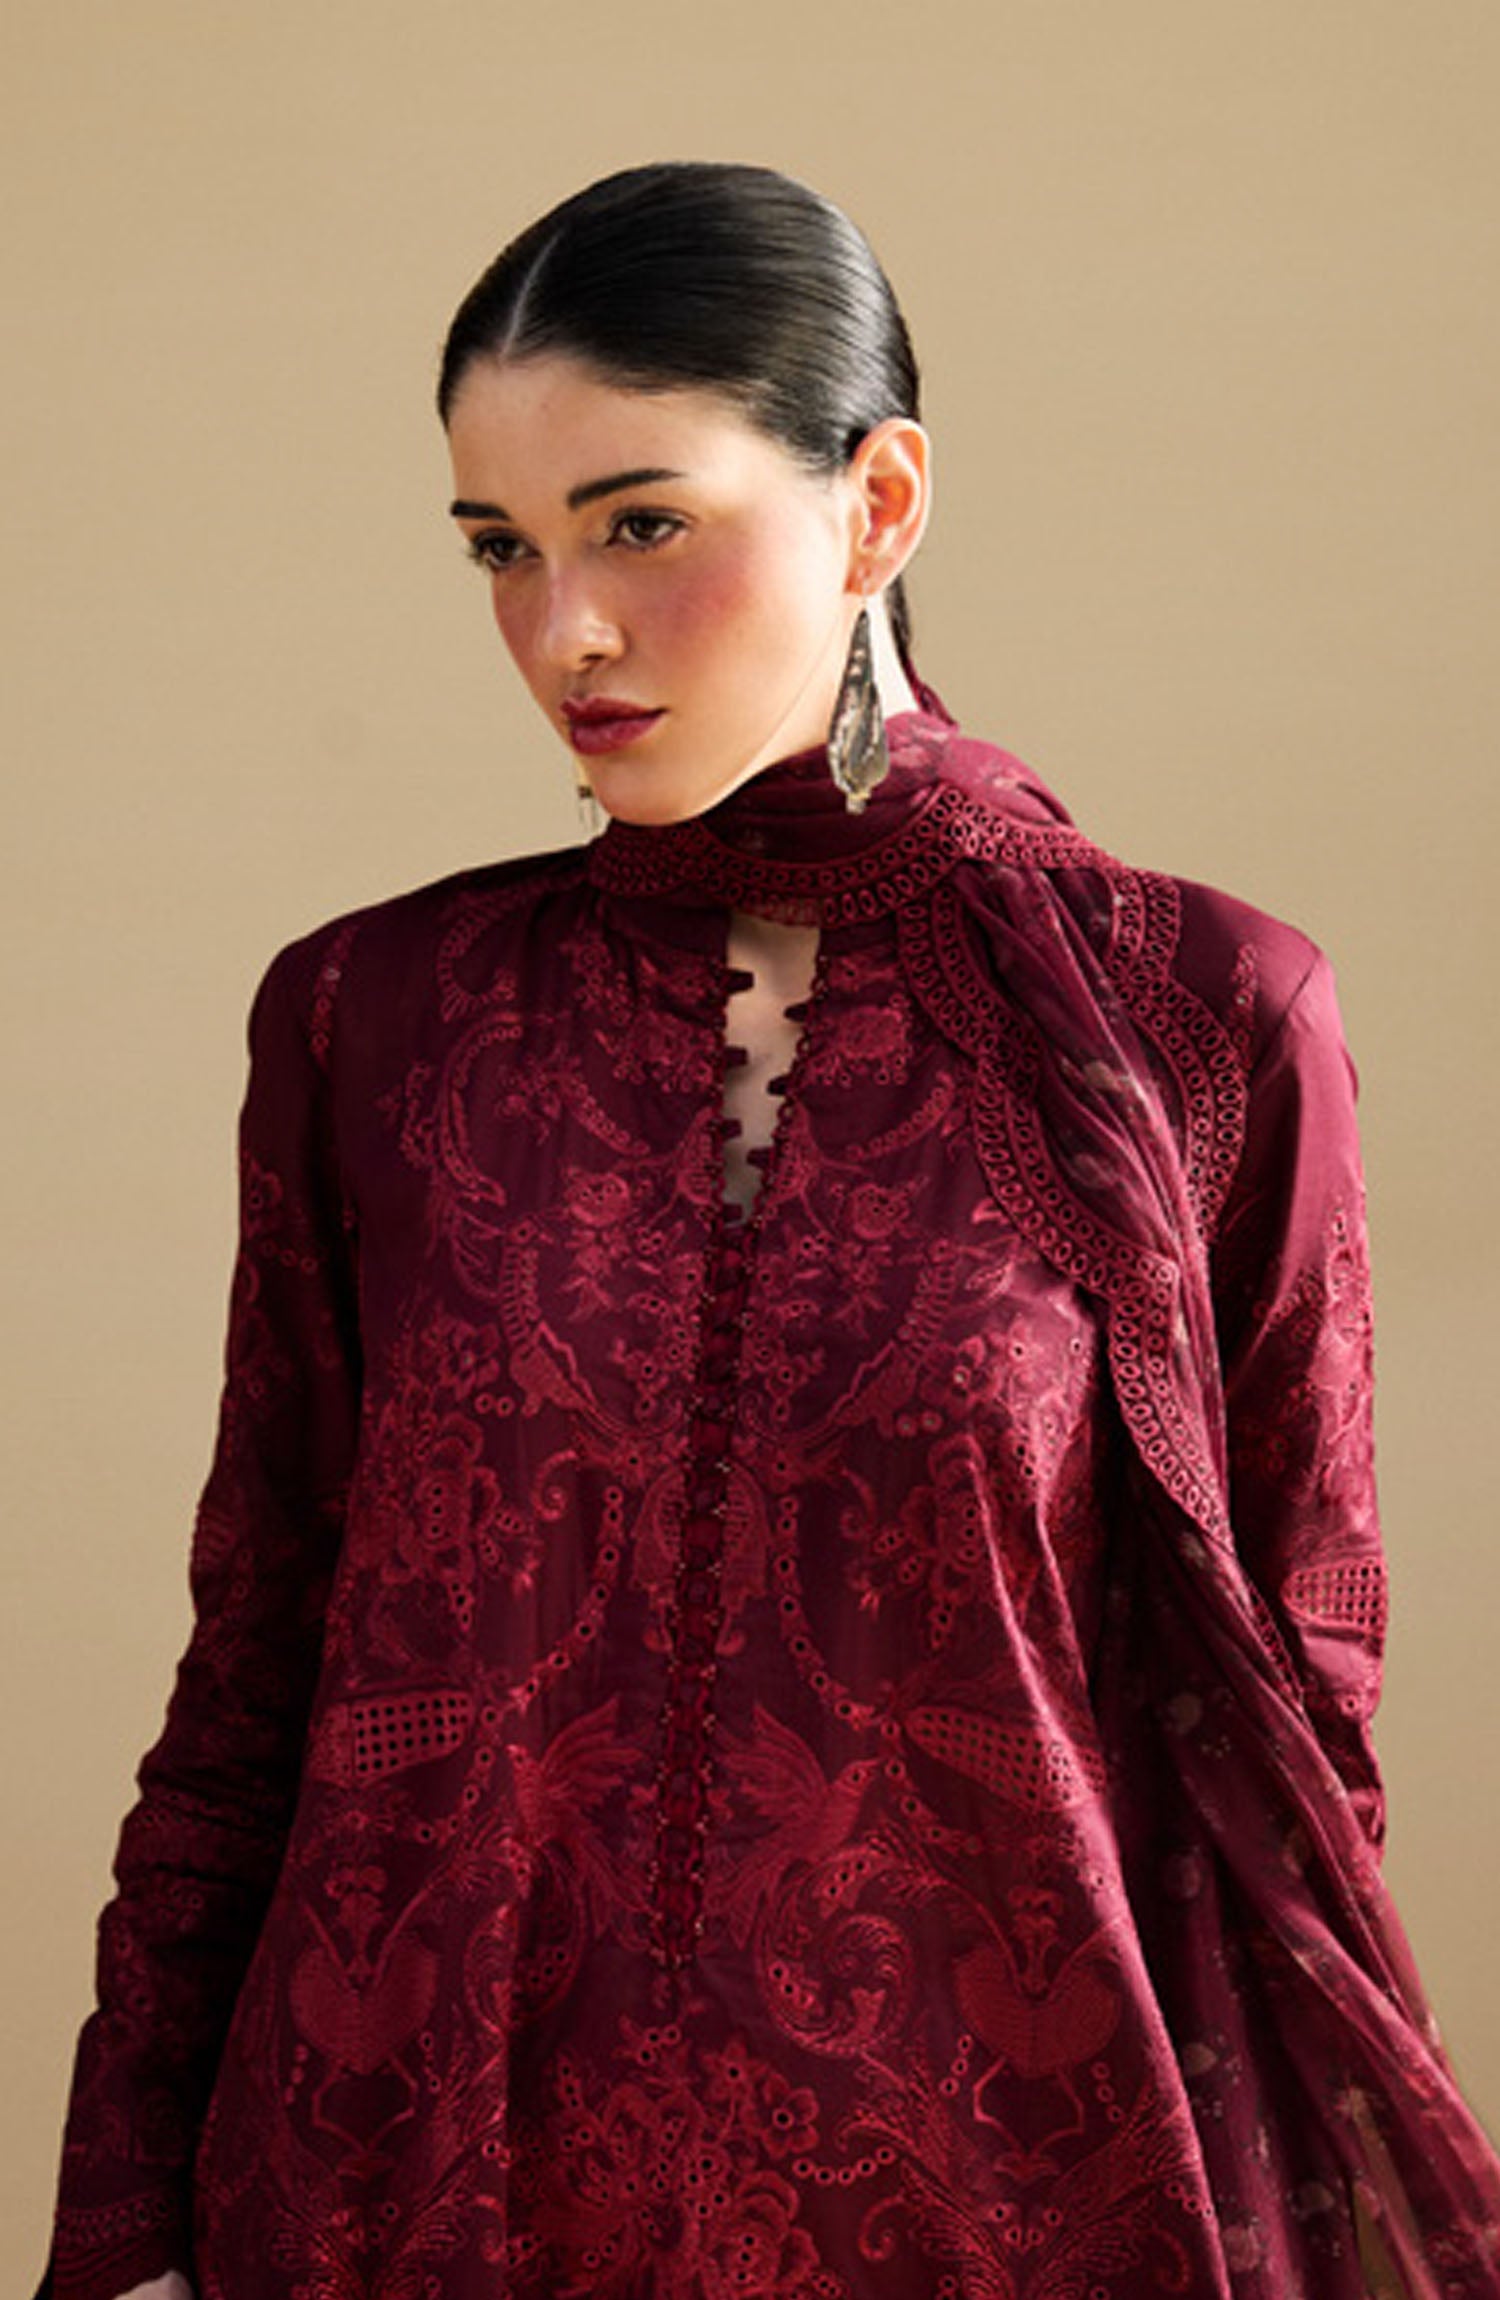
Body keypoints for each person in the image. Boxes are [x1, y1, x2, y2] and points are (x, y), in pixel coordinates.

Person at [37, 160, 1500, 2300]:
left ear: (879, 505)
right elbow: (256, 1665)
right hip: (400, 2201)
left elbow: (1290, 1729)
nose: (564, 630)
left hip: (1011, 2209)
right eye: (500, 549)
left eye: (640, 524)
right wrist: (122, 2229)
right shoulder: (375, 1017)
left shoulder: (1199, 1022)